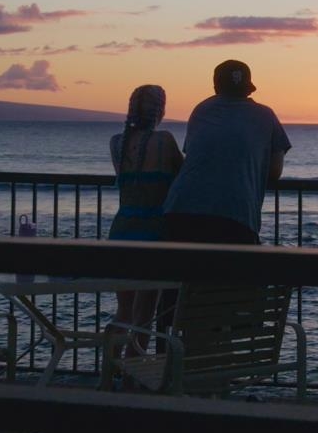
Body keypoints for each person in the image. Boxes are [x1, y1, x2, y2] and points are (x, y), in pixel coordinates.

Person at [158, 59, 291, 244]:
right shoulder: (265, 115)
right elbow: (274, 172)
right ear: (248, 87)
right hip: (235, 214)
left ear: (216, 86)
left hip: (179, 209)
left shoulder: (201, 110)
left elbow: (195, 156)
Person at [106, 84, 181, 354]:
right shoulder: (165, 141)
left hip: (122, 229)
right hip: (153, 232)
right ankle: (131, 377)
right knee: (145, 315)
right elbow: (181, 177)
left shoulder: (117, 143)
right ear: (160, 110)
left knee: (124, 310)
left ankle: (109, 374)